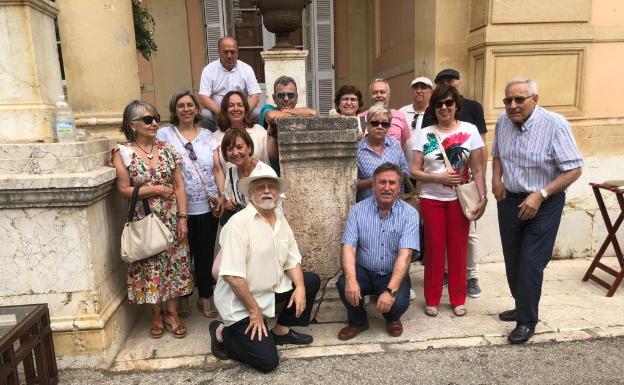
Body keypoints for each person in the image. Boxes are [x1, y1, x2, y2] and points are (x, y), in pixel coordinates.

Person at [492, 77, 582, 344]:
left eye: (519, 99)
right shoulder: (502, 121)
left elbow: (574, 168)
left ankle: (527, 321)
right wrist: (496, 180)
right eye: (508, 100)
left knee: (531, 262)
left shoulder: (555, 125)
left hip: (544, 202)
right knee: (513, 260)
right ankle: (522, 305)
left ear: (535, 99)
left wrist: (540, 195)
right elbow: (497, 154)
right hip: (510, 200)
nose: (512, 105)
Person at [209, 167, 321, 372]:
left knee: (310, 281)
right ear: (251, 194)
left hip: (270, 292)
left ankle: (281, 331)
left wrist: (301, 287)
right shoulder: (237, 225)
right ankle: (221, 332)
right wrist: (254, 312)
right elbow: (233, 277)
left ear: (278, 194)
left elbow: (293, 259)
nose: (267, 191)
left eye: (272, 187)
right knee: (267, 361)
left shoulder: (280, 220)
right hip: (241, 304)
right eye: (260, 187)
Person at [109, 100, 193, 339]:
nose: (154, 122)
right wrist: (154, 189)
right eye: (147, 119)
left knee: (173, 266)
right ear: (132, 125)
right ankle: (156, 314)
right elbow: (123, 188)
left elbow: (178, 185)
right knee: (150, 267)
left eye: (155, 117)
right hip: (144, 220)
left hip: (170, 218)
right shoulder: (122, 152)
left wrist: (183, 217)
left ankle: (172, 313)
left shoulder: (167, 149)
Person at [411, 85, 487, 318]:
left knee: (458, 249)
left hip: (459, 200)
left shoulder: (470, 130)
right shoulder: (425, 133)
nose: (444, 108)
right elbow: (414, 170)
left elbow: (477, 168)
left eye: (448, 103)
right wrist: (438, 177)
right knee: (434, 250)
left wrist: (483, 198)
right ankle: (432, 299)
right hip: (431, 198)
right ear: (434, 108)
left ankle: (457, 298)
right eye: (439, 104)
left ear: (456, 106)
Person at [156, 90, 225, 319]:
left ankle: (205, 297)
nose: (186, 109)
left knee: (205, 253)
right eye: (181, 106)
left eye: (189, 105)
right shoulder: (165, 134)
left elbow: (216, 169)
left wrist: (222, 194)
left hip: (207, 204)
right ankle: (183, 296)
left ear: (196, 109)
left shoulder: (208, 135)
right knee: (182, 254)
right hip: (178, 207)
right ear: (174, 110)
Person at [336, 162, 419, 340]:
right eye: (382, 182)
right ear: (373, 185)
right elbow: (348, 247)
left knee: (399, 301)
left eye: (392, 183)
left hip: (391, 272)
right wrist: (351, 280)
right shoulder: (357, 210)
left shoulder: (410, 214)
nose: (387, 187)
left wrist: (390, 292)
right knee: (344, 284)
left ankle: (392, 318)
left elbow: (405, 255)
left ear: (399, 186)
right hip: (364, 270)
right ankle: (358, 322)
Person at [198, 36, 262, 130]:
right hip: (218, 114)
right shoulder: (209, 70)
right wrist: (221, 113)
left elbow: (255, 95)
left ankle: (251, 137)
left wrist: (244, 112)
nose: (229, 56)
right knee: (204, 115)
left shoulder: (246, 69)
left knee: (260, 113)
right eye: (225, 52)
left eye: (232, 52)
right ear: (219, 53)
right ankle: (213, 139)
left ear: (237, 53)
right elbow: (203, 97)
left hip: (242, 113)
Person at [214, 90, 278, 171]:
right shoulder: (216, 136)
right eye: (231, 105)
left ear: (245, 109)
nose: (236, 108)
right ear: (225, 110)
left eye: (240, 105)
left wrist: (272, 132)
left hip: (259, 181)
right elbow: (217, 169)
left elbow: (273, 154)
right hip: (231, 182)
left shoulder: (258, 130)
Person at [356, 105, 409, 202]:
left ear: (389, 127)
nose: (380, 127)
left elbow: (405, 171)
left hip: (395, 204)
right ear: (367, 125)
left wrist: (394, 177)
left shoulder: (395, 145)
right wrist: (374, 180)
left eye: (384, 124)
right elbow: (353, 184)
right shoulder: (357, 150)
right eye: (375, 123)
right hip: (368, 206)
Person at [359, 79, 411, 152]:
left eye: (382, 92)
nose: (379, 95)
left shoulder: (399, 116)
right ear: (370, 95)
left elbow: (404, 144)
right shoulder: (361, 118)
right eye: (375, 92)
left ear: (389, 95)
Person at [399, 76, 433, 166]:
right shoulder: (402, 112)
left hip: (427, 170)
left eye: (423, 87)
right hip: (404, 168)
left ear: (431, 91)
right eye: (415, 88)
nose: (419, 91)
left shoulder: (435, 113)